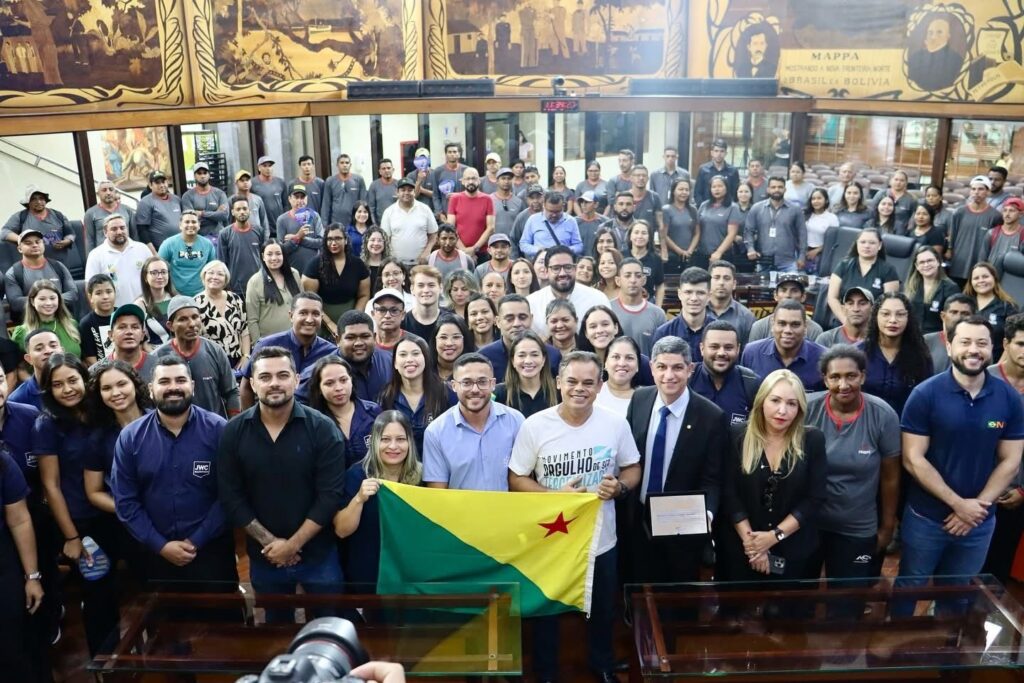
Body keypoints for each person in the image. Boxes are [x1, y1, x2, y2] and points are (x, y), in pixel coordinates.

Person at [509, 351, 641, 683]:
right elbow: (516, 478)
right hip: (551, 540)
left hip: (601, 538)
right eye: (571, 381)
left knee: (602, 609)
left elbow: (632, 467)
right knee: (548, 611)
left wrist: (620, 487)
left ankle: (602, 665)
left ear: (599, 386)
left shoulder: (615, 423)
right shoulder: (535, 425)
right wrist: (554, 497)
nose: (579, 389)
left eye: (587, 382)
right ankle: (546, 673)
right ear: (558, 383)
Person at [894, 316, 1024, 615]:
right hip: (927, 517)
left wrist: (976, 508)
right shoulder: (925, 394)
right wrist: (958, 504)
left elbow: (1011, 460)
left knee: (959, 591)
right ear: (950, 346)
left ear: (992, 348)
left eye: (981, 343)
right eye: (965, 342)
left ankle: (948, 642)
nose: (973, 349)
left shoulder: (1008, 399)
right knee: (910, 585)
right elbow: (913, 459)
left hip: (979, 522)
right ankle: (898, 640)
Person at [217, 346, 347, 623]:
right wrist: (272, 544)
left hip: (319, 555)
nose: (274, 383)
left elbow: (330, 496)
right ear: (252, 384)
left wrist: (292, 545)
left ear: (296, 380)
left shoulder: (323, 429)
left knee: (329, 626)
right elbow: (231, 496)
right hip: (265, 555)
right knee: (276, 629)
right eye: (265, 377)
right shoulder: (233, 432)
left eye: (282, 375)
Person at [110, 356, 237, 595]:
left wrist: (196, 540)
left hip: (212, 552)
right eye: (164, 381)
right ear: (151, 389)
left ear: (192, 386)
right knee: (163, 618)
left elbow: (230, 495)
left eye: (180, 380)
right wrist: (161, 545)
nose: (173, 387)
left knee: (222, 616)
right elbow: (125, 501)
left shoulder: (219, 430)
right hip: (154, 555)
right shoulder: (130, 437)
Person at [624, 335, 728, 583]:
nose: (669, 375)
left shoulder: (711, 416)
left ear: (690, 369)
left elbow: (713, 477)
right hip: (636, 519)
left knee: (676, 595)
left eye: (677, 367)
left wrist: (707, 515)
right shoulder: (639, 399)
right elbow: (627, 457)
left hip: (681, 526)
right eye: (661, 367)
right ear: (652, 368)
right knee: (635, 588)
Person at [34, 355, 120, 655]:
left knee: (120, 589)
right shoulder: (47, 425)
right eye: (57, 384)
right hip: (80, 523)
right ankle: (105, 662)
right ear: (49, 390)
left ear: (85, 379)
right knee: (97, 595)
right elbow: (51, 486)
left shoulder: (101, 413)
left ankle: (132, 652)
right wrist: (70, 536)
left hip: (113, 512)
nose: (67, 389)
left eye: (73, 380)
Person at [719, 369, 826, 582]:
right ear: (761, 401)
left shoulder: (813, 439)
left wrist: (774, 536)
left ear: (800, 408)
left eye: (792, 403)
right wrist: (753, 545)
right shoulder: (737, 435)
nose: (782, 411)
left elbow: (815, 498)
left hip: (793, 549)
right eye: (775, 400)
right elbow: (729, 494)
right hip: (742, 547)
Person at [805, 345, 901, 580]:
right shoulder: (806, 408)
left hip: (857, 526)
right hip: (807, 523)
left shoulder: (883, 414)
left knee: (849, 597)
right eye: (835, 377)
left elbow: (890, 477)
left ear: (863, 376)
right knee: (801, 593)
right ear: (825, 379)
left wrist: (887, 527)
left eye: (851, 376)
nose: (843, 385)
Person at [334, 411, 422, 591]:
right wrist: (359, 499)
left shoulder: (423, 477)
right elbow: (341, 531)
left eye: (400, 439)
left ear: (410, 442)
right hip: (368, 575)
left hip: (409, 573)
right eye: (385, 439)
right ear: (374, 441)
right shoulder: (356, 475)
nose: (393, 446)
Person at [423, 353, 524, 491]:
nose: (475, 390)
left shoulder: (516, 421)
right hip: (458, 506)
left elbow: (524, 479)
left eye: (482, 382)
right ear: (454, 386)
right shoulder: (436, 432)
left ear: (493, 384)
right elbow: (437, 492)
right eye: (466, 383)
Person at [0, 388, 46, 681]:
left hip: (3, 563)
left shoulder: (4, 462)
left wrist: (32, 576)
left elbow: (18, 520)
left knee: (14, 646)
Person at [239, 292, 336, 408]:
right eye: (303, 313)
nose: (309, 319)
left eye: (315, 314)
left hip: (314, 415)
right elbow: (246, 387)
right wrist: (250, 418)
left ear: (321, 317)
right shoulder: (267, 345)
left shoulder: (330, 352)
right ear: (291, 316)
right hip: (270, 412)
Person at [984, 314, 1024, 581]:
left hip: (1015, 496)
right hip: (973, 492)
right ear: (1007, 343)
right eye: (1021, 344)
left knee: (998, 572)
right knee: (959, 570)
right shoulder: (982, 379)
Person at [153, 296, 240, 418]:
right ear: (170, 326)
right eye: (183, 319)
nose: (192, 324)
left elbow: (231, 392)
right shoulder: (158, 356)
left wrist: (233, 423)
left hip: (213, 426)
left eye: (195, 317)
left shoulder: (215, 351)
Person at [297, 310, 393, 404]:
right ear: (338, 340)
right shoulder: (317, 373)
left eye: (365, 336)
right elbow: (296, 406)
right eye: (350, 337)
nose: (358, 343)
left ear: (374, 337)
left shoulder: (390, 361)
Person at [862, 292, 933, 417]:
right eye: (886, 314)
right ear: (876, 316)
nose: (893, 320)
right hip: (865, 422)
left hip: (905, 424)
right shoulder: (858, 353)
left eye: (900, 314)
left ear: (908, 317)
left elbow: (927, 399)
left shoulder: (921, 357)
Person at [378, 335, 452, 455]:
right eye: (403, 355)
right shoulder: (385, 397)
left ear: (426, 359)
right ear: (395, 363)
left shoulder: (445, 392)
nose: (409, 359)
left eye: (416, 353)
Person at [308, 355, 382, 469]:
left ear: (351, 380)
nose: (338, 388)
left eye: (343, 380)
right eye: (329, 383)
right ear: (319, 389)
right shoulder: (314, 422)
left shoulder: (373, 412)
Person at [741, 299, 826, 391]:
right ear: (772, 325)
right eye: (782, 323)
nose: (788, 330)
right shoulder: (751, 353)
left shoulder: (823, 357)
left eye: (795, 324)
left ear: (805, 327)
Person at [302, 223, 371, 333]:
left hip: (351, 322)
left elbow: (364, 295)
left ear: (346, 240)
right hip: (320, 320)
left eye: (338, 238)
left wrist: (354, 317)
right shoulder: (314, 265)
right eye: (329, 239)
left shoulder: (358, 264)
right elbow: (311, 299)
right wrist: (329, 323)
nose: (333, 243)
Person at [527, 246, 608, 338]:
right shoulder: (532, 302)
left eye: (568, 267)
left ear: (575, 269)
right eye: (556, 268)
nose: (562, 273)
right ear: (546, 271)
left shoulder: (597, 299)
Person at [690, 320, 761, 425]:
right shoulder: (687, 379)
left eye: (728, 347)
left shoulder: (752, 383)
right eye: (714, 347)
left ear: (738, 349)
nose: (721, 353)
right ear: (702, 348)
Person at [826, 228, 900, 325]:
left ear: (879, 245)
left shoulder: (889, 270)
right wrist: (846, 321)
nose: (866, 246)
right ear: (857, 244)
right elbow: (832, 298)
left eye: (872, 243)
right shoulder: (843, 265)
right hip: (843, 322)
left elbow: (888, 304)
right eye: (863, 242)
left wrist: (867, 326)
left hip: (872, 325)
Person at [481, 294, 562, 380]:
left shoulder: (552, 355)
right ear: (498, 322)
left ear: (531, 319)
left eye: (522, 317)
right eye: (509, 319)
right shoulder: (485, 357)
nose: (517, 324)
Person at [4, 227, 77, 320]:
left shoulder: (58, 266)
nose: (34, 245)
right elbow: (15, 303)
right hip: (32, 322)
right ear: (19, 249)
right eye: (28, 243)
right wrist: (46, 301)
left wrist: (48, 301)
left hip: (61, 319)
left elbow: (73, 294)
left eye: (38, 242)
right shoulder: (13, 273)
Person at [85, 214, 152, 308]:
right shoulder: (95, 255)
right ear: (105, 232)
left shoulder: (142, 249)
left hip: (146, 307)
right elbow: (89, 287)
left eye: (122, 228)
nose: (119, 232)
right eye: (114, 229)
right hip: (115, 311)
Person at [1, 186, 75, 271]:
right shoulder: (21, 217)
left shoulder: (58, 215)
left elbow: (70, 234)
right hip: (33, 267)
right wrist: (23, 239)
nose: (38, 201)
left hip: (60, 265)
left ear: (45, 200)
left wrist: (66, 241)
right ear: (28, 202)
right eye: (34, 199)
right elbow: (4, 233)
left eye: (41, 198)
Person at [650, 266, 715, 362]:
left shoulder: (720, 332)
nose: (694, 298)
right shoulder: (664, 333)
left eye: (700, 293)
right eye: (688, 292)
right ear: (679, 294)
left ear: (709, 296)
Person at [744, 176, 807, 272]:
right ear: (768, 189)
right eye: (773, 187)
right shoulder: (757, 208)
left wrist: (802, 256)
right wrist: (750, 249)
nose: (776, 190)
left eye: (780, 187)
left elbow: (802, 234)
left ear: (785, 189)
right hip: (763, 261)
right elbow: (748, 231)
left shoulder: (795, 210)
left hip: (788, 262)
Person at [947, 175, 1003, 285]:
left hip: (980, 267)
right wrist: (949, 249)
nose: (976, 192)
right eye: (973, 189)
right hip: (958, 263)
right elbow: (952, 234)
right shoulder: (959, 212)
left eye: (981, 189)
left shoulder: (995, 216)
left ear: (988, 192)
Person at [194, 260, 249, 369]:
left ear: (225, 280)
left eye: (220, 274)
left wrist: (246, 356)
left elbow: (244, 330)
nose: (215, 277)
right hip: (209, 361)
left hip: (237, 361)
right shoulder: (195, 303)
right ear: (204, 276)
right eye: (211, 273)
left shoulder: (235, 299)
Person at [246, 240, 302, 341]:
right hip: (269, 342)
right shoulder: (254, 282)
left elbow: (302, 305)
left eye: (278, 253)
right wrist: (258, 344)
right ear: (263, 257)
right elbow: (252, 320)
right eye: (269, 254)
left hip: (296, 338)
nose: (274, 258)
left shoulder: (294, 274)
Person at [609, 258, 667, 356]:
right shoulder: (607, 309)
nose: (633, 280)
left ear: (644, 280)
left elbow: (663, 352)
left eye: (638, 276)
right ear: (618, 281)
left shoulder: (658, 314)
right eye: (627, 276)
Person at [11, 280, 81, 358]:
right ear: (32, 301)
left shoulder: (72, 325)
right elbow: (19, 364)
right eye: (42, 299)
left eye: (52, 298)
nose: (48, 303)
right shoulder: (21, 333)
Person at [965, 261, 1019, 360]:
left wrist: (999, 366)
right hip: (966, 359)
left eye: (985, 276)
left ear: (994, 278)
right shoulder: (964, 303)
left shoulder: (1008, 306)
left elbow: (1013, 340)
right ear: (971, 282)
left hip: (994, 361)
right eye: (976, 278)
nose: (981, 280)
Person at [380, 178, 439, 268]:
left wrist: (427, 251)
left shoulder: (425, 209)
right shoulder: (389, 212)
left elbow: (434, 234)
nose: (406, 193)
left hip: (421, 263)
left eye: (410, 190)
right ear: (397, 192)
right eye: (403, 190)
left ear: (414, 192)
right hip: (397, 264)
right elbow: (385, 238)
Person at [747, 275, 824, 342]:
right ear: (775, 295)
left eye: (794, 291)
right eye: (783, 290)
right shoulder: (759, 327)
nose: (788, 295)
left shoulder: (815, 330)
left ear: (803, 297)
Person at [157, 211, 215, 297]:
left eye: (194, 222)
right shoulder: (168, 244)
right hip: (174, 294)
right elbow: (159, 268)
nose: (190, 225)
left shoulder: (207, 244)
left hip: (202, 294)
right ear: (180, 225)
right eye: (187, 222)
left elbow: (212, 269)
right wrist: (171, 292)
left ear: (199, 225)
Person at [905, 245, 960, 335]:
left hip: (937, 337)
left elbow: (953, 320)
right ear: (916, 266)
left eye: (930, 260)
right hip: (912, 336)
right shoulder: (912, 286)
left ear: (938, 262)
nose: (926, 265)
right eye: (922, 262)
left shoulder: (951, 288)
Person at [217, 196, 265, 298]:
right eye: (238, 209)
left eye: (244, 208)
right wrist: (226, 285)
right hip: (235, 288)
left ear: (249, 211)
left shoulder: (259, 230)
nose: (242, 212)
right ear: (232, 212)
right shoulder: (224, 234)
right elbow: (222, 262)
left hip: (258, 285)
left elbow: (264, 258)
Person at [277, 183, 325, 274]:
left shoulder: (314, 216)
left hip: (313, 270)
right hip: (292, 270)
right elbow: (281, 250)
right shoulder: (282, 220)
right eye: (296, 197)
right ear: (289, 199)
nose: (299, 200)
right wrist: (297, 237)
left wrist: (297, 238)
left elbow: (321, 243)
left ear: (307, 198)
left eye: (302, 197)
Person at [104, 303, 158, 382]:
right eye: (122, 327)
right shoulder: (97, 371)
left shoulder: (158, 367)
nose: (129, 332)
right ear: (111, 335)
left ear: (142, 335)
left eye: (135, 327)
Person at [519, 191, 582, 259]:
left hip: (563, 261)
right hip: (541, 262)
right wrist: (538, 250)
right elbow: (523, 244)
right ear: (544, 206)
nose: (554, 215)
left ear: (563, 207)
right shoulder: (533, 220)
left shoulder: (571, 221)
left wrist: (566, 250)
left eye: (557, 211)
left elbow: (579, 245)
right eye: (550, 211)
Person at [706, 260, 756, 344]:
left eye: (726, 278)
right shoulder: (697, 311)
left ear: (734, 284)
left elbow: (750, 350)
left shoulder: (746, 317)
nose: (721, 283)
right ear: (708, 282)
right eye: (716, 278)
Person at [925, 294, 976, 375]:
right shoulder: (926, 341)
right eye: (954, 312)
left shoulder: (978, 345)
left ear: (973, 317)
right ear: (943, 316)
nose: (959, 317)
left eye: (965, 313)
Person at [697, 176, 742, 266]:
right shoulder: (704, 205)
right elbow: (697, 228)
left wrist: (719, 252)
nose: (717, 189)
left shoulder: (733, 207)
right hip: (702, 253)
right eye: (714, 187)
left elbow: (732, 234)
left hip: (722, 255)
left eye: (720, 186)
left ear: (726, 188)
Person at [134, 255, 176, 347]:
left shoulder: (176, 300)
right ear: (145, 277)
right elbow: (138, 339)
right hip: (153, 353)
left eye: (163, 272)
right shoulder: (140, 305)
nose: (160, 276)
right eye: (154, 273)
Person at [135, 171, 183, 250]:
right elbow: (142, 230)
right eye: (157, 183)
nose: (162, 185)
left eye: (163, 182)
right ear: (150, 185)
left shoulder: (176, 199)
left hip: (180, 247)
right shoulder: (145, 202)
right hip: (160, 250)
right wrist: (153, 252)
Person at [84, 180, 137, 250]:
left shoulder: (127, 210)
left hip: (126, 251)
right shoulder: (90, 213)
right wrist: (90, 255)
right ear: (98, 194)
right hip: (103, 253)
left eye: (111, 189)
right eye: (104, 190)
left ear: (115, 192)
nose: (108, 193)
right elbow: (89, 240)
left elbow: (135, 235)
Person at [181, 162, 229, 238]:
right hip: (198, 238)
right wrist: (216, 214)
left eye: (205, 173)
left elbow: (224, 215)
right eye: (199, 173)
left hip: (218, 236)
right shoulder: (187, 196)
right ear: (194, 176)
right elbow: (190, 220)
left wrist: (202, 214)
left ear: (209, 175)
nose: (202, 176)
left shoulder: (220, 193)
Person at [595, 335, 642, 413]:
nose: (622, 363)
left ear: (637, 366)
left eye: (629, 358)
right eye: (616, 357)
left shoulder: (648, 398)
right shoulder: (593, 392)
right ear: (605, 363)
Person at [662, 178, 701, 267]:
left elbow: (697, 233)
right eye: (681, 189)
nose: (684, 192)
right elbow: (664, 235)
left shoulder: (693, 210)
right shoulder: (666, 210)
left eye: (687, 190)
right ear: (673, 191)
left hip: (690, 255)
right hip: (672, 256)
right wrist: (680, 252)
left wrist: (689, 251)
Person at [79, 274, 117, 365]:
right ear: (90, 297)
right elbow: (90, 358)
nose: (105, 297)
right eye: (98, 293)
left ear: (115, 293)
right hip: (101, 369)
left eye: (109, 291)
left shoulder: (124, 315)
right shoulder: (86, 323)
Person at [982, 197, 1024, 277]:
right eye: (1005, 210)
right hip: (991, 276)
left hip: (1012, 277)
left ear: (1021, 214)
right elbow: (982, 259)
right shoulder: (991, 233)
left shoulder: (1023, 235)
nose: (1007, 214)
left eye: (1011, 211)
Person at [322, 154, 367, 228]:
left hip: (355, 223)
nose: (345, 165)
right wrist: (324, 225)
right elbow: (326, 205)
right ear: (337, 165)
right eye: (342, 163)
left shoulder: (359, 180)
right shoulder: (330, 181)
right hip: (335, 223)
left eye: (347, 163)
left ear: (350, 165)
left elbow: (364, 203)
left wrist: (363, 223)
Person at [625, 220, 664, 305]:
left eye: (644, 233)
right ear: (630, 236)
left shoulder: (656, 259)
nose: (640, 236)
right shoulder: (621, 256)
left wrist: (658, 307)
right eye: (636, 232)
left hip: (648, 303)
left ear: (649, 237)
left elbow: (660, 285)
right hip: (625, 302)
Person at [694, 139, 740, 208]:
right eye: (716, 151)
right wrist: (703, 208)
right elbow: (697, 193)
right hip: (707, 209)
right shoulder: (703, 169)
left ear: (726, 153)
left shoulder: (733, 171)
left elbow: (735, 194)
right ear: (712, 153)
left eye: (722, 151)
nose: (719, 154)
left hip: (727, 209)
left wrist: (730, 208)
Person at [402, 265, 444, 340]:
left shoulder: (451, 321)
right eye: (420, 285)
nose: (426, 290)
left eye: (431, 285)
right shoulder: (403, 323)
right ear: (412, 289)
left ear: (441, 288)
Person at [804, 188, 838, 271]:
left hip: (821, 254)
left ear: (826, 200)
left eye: (819, 198)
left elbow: (833, 240)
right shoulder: (804, 214)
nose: (816, 201)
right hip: (802, 253)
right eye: (813, 199)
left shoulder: (832, 218)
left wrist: (816, 251)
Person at [431, 313, 473, 382]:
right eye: (443, 337)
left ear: (465, 340)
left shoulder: (474, 370)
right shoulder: (424, 370)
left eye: (456, 337)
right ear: (435, 340)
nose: (449, 343)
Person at [432, 143, 468, 222]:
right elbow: (435, 195)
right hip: (445, 215)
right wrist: (439, 212)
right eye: (449, 152)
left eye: (455, 152)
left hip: (464, 213)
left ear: (459, 154)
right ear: (446, 154)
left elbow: (472, 192)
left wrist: (458, 195)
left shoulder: (466, 170)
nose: (452, 154)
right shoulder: (438, 171)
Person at [251, 156, 289, 226]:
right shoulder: (252, 184)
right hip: (261, 224)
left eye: (270, 166)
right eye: (265, 166)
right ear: (259, 168)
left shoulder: (281, 182)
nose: (268, 168)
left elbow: (286, 204)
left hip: (278, 223)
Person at [233, 169, 271, 238]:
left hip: (256, 236)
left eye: (247, 180)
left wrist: (265, 238)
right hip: (238, 237)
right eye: (242, 180)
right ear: (236, 183)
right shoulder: (232, 200)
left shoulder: (257, 199)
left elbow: (264, 221)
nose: (245, 182)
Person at [369, 287, 408, 352]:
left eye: (394, 310)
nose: (387, 316)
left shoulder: (415, 343)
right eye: (382, 310)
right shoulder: (365, 345)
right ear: (373, 314)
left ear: (403, 314)